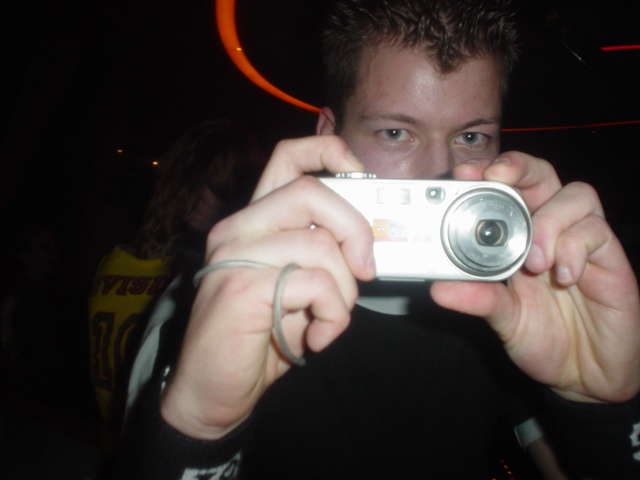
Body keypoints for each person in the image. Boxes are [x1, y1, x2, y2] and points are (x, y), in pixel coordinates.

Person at [118, 1, 640, 478]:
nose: (441, 172)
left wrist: (607, 409)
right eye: (396, 133)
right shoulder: (225, 298)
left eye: (471, 136)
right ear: (329, 137)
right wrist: (198, 426)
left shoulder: (513, 307)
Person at [88, 119, 264, 442]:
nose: (200, 195)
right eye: (198, 179)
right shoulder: (194, 283)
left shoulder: (118, 260)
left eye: (218, 185)